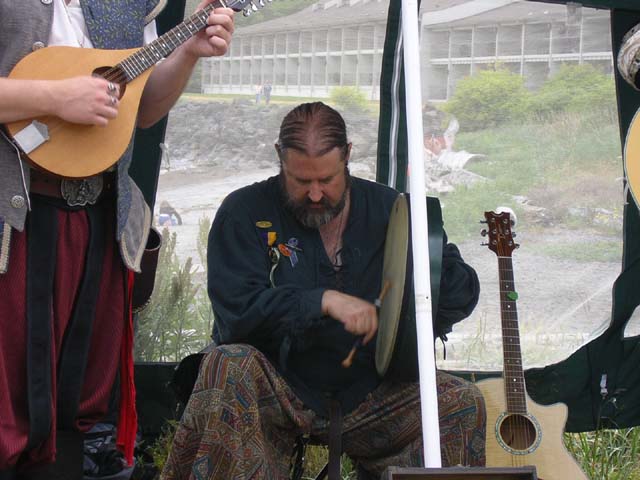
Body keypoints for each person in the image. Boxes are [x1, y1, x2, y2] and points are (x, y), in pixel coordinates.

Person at [161, 102, 485, 480]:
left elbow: (461, 297)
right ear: (280, 157)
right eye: (301, 181)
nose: (315, 194)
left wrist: (431, 265)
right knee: (227, 363)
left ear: (347, 156)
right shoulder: (244, 212)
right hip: (277, 386)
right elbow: (236, 315)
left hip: (370, 391)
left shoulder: (389, 209)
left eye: (327, 180)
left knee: (460, 403)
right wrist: (320, 301)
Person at [0, 0, 234, 477]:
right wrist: (53, 97)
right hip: (11, 220)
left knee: (80, 403)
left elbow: (142, 110)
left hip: (96, 219)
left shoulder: (126, 5)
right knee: (11, 399)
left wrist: (187, 52)